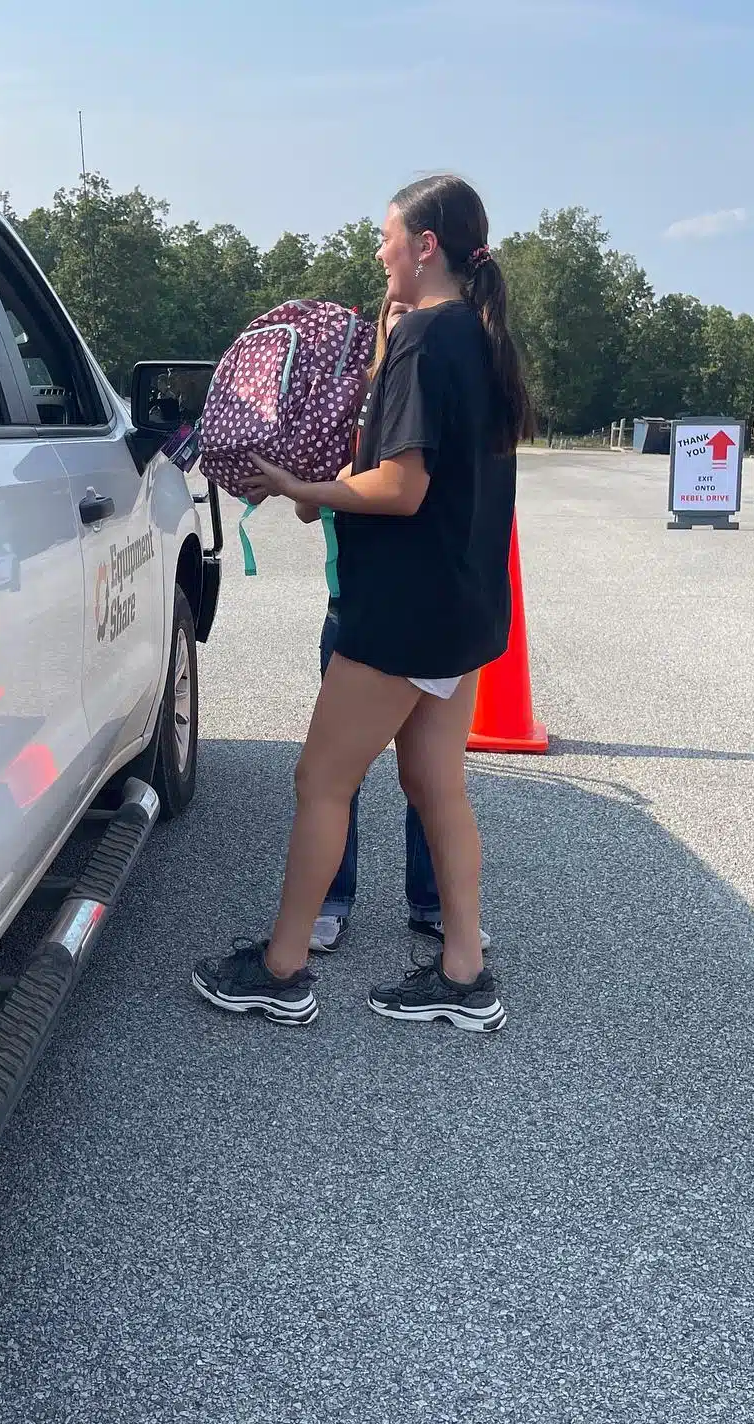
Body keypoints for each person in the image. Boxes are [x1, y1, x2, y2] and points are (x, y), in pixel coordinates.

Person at [192, 173, 532, 1029]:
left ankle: (282, 967)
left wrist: (303, 484)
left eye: (387, 237)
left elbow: (404, 485)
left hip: (402, 612)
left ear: (425, 246)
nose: (377, 251)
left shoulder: (422, 337)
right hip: (462, 609)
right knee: (433, 782)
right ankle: (464, 973)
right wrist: (330, 483)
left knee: (321, 780)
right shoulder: (479, 339)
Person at [298, 297, 492, 960]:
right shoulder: (354, 408)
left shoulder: (433, 391)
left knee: (418, 778)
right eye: (393, 310)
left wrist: (330, 487)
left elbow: (407, 492)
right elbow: (310, 502)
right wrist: (314, 482)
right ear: (376, 325)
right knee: (354, 776)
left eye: (413, 307)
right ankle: (330, 901)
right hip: (355, 605)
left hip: (406, 611)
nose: (404, 315)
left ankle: (431, 907)